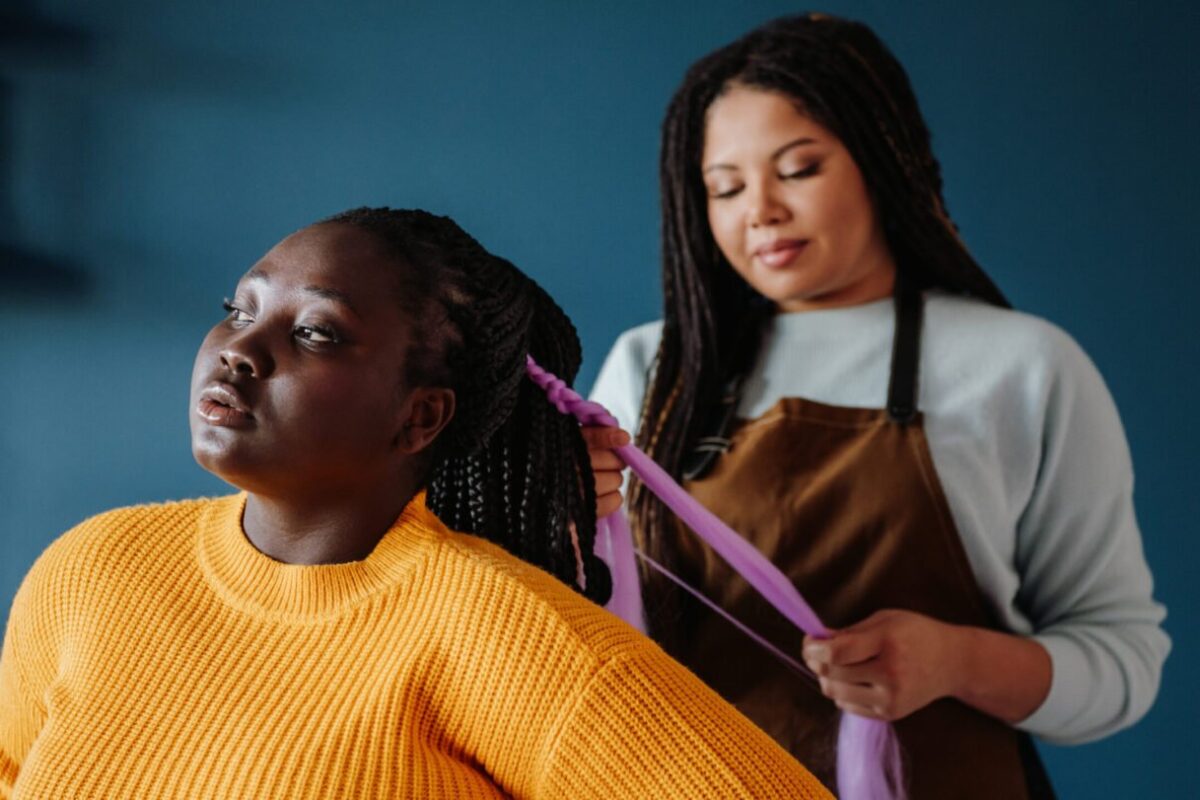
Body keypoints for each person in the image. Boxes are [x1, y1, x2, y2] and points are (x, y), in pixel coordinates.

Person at [0, 208, 832, 799]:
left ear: (420, 415)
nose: (240, 350)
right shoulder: (93, 569)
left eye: (316, 332)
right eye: (238, 310)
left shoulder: (506, 635)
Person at [587, 13, 1169, 799]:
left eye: (797, 169)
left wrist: (955, 660)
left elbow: (1123, 663)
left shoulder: (1024, 367)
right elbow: (581, 629)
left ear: (881, 161)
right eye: (724, 187)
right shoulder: (651, 370)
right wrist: (566, 521)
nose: (758, 209)